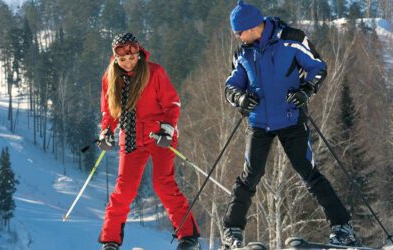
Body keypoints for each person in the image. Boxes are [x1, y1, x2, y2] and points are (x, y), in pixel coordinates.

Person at [222, 0, 358, 249]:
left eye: (238, 31)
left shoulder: (292, 38)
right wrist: (241, 98)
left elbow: (318, 67)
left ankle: (343, 228)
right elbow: (231, 86)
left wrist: (306, 90)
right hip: (259, 123)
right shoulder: (243, 52)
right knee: (250, 177)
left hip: (290, 118)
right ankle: (232, 231)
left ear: (253, 26)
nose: (237, 36)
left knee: (308, 172)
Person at [97, 33, 201, 250]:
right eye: (123, 59)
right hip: (132, 137)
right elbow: (109, 112)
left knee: (163, 184)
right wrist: (106, 132)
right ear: (115, 58)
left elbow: (172, 103)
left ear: (138, 53)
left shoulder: (154, 72)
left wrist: (166, 129)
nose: (128, 62)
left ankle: (188, 237)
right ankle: (110, 241)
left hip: (159, 135)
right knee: (124, 189)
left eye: (132, 57)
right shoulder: (110, 78)